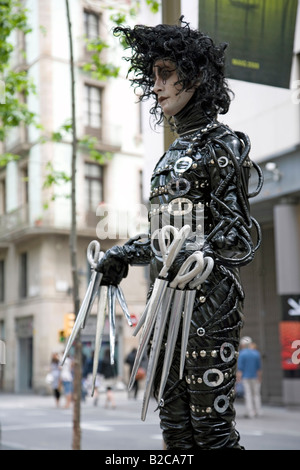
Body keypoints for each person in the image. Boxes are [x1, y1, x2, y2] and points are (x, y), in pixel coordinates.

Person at [96, 18, 262, 450]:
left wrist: (191, 249)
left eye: (166, 74)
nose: (156, 86)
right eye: (153, 77)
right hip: (165, 308)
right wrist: (121, 253)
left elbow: (238, 237)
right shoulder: (172, 152)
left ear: (196, 74)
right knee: (175, 432)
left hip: (209, 309)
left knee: (211, 433)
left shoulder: (221, 145)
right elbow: (161, 234)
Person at [237, 336, 262, 418]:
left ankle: (250, 412)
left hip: (245, 377)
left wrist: (238, 378)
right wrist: (259, 378)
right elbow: (259, 368)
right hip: (255, 377)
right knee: (256, 394)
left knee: (248, 395)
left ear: (243, 344)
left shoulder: (242, 354)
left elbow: (240, 368)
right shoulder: (256, 353)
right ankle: (258, 411)